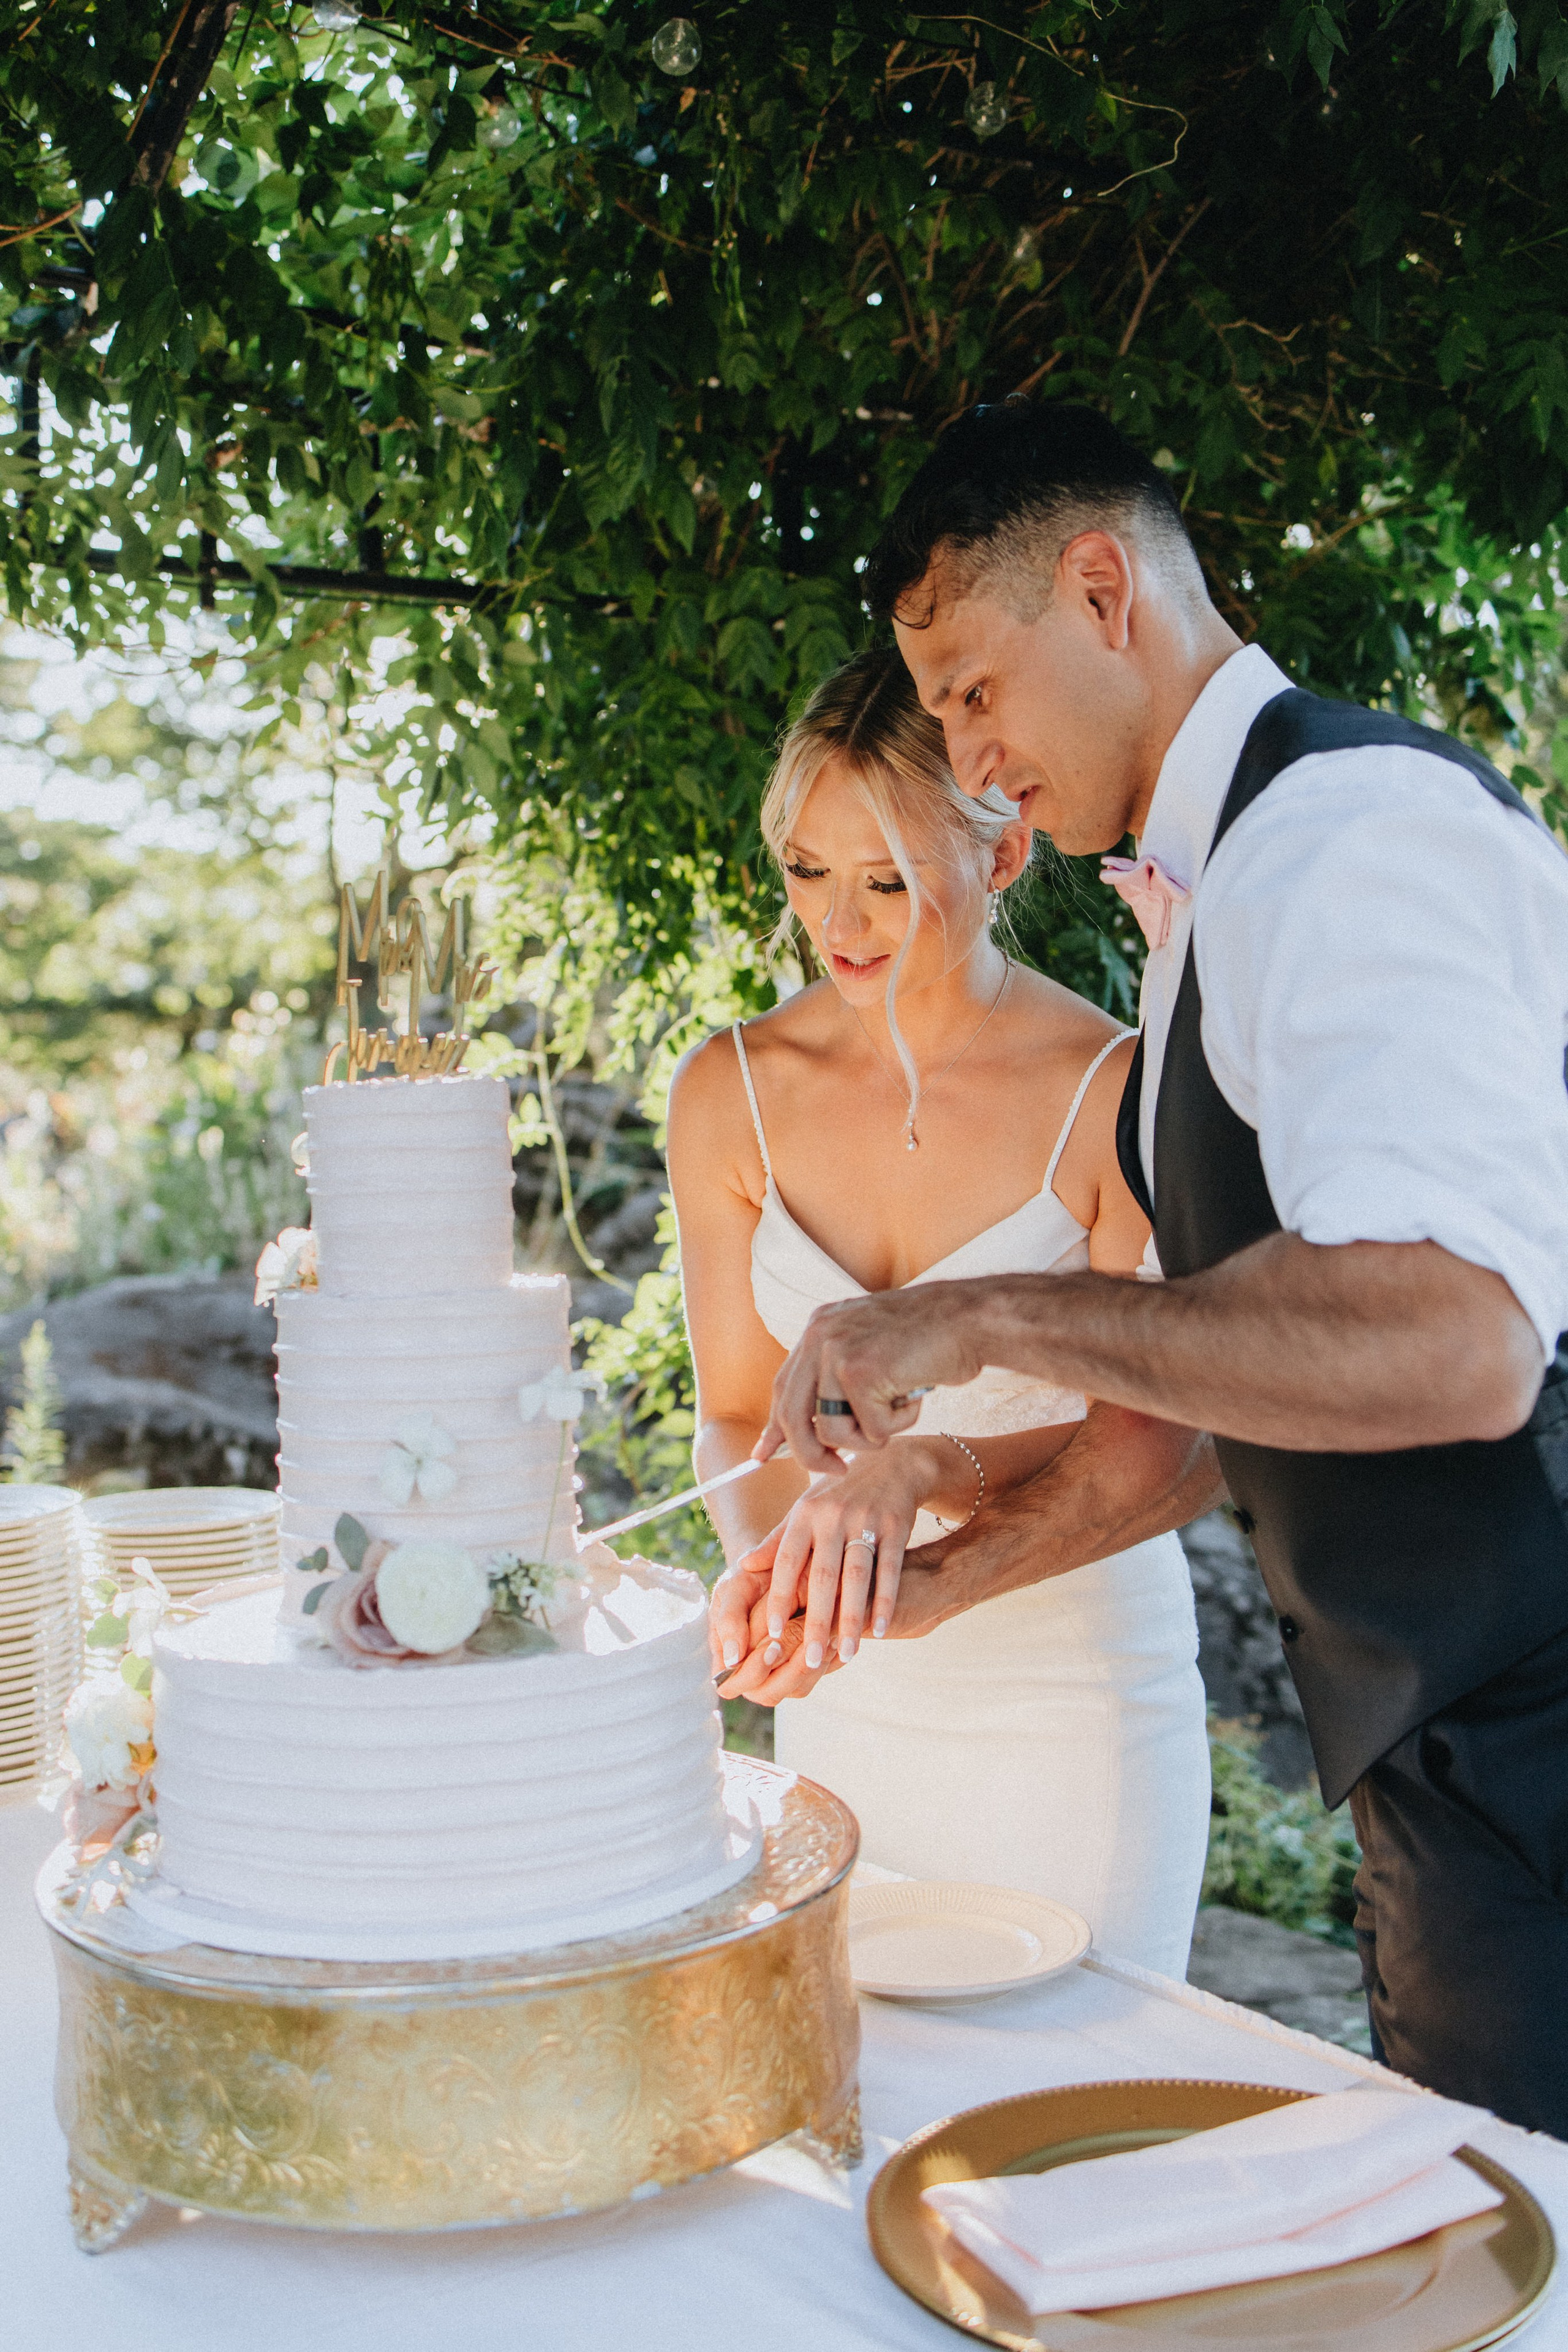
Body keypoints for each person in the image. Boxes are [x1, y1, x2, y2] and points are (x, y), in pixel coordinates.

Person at [732, 399, 1568, 2136]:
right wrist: (952, 1579)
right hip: (1452, 1758)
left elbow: (1459, 1337)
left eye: (973, 691)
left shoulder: (1345, 837)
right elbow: (1215, 1400)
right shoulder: (1212, 889)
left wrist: (977, 1311)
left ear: (1103, 592)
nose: (968, 758)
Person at [666, 647, 1211, 1974]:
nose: (839, 923)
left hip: (1074, 1691)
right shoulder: (726, 1091)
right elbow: (737, 1415)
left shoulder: (1114, 1089)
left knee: (1081, 2100)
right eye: (806, 870)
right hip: (856, 1704)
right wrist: (783, 1580)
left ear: (1005, 855)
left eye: (888, 880)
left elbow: (1167, 1437)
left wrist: (918, 1472)